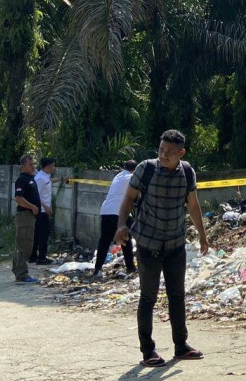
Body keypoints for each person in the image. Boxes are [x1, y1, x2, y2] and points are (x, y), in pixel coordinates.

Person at [114, 129, 209, 368]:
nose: (164, 155)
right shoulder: (145, 169)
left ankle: (181, 346)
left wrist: (203, 236)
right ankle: (148, 351)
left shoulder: (187, 172)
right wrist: (121, 225)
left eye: (170, 152)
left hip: (176, 244)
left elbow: (193, 205)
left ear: (181, 153)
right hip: (148, 244)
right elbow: (128, 199)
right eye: (161, 150)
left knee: (177, 296)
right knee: (148, 297)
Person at [93, 160, 137, 278]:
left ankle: (97, 269)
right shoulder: (132, 176)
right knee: (126, 240)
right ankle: (131, 268)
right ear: (135, 169)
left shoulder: (118, 176)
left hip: (106, 210)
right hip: (119, 212)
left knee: (104, 241)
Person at [13, 154, 41, 283]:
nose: (33, 166)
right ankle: (22, 274)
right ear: (23, 166)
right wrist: (32, 207)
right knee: (24, 245)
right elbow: (18, 198)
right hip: (25, 216)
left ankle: (18, 269)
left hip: (30, 216)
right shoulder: (22, 179)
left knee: (26, 244)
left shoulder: (31, 178)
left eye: (34, 163)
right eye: (30, 164)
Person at [30, 157, 56, 265]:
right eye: (53, 166)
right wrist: (45, 206)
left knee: (37, 234)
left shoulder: (45, 176)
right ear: (48, 166)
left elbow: (50, 181)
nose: (54, 168)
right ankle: (41, 258)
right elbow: (34, 195)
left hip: (42, 209)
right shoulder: (40, 178)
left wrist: (62, 179)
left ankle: (33, 257)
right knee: (43, 234)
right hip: (41, 210)